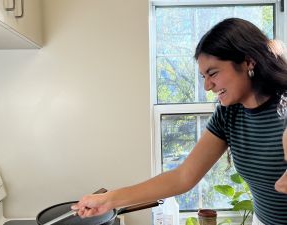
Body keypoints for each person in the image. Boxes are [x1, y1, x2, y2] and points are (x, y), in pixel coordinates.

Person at [72, 18, 287, 225]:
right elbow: (183, 176)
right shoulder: (228, 115)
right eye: (203, 76)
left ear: (248, 61)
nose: (207, 86)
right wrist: (109, 200)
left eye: (213, 73)